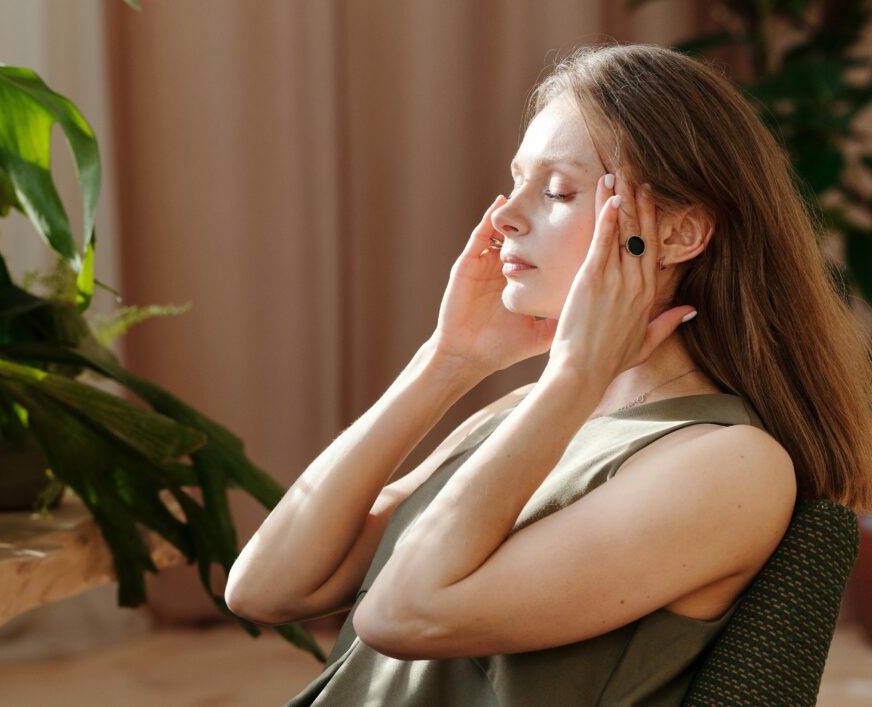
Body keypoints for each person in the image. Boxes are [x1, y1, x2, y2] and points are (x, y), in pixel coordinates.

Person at [225, 42, 872, 706]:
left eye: (557, 189)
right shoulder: (526, 414)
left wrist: (573, 376)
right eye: (517, 180)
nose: (505, 215)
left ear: (678, 235)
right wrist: (446, 362)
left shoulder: (729, 463)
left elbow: (399, 614)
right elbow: (265, 587)